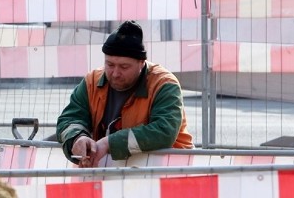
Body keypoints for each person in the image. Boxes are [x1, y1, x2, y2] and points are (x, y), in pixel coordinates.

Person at [56, 20, 193, 167]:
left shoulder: (164, 84)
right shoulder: (91, 82)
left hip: (168, 173)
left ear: (141, 63)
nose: (115, 73)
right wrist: (77, 137)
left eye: (124, 66)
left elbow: (164, 132)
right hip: (112, 173)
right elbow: (70, 119)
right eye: (110, 64)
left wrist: (110, 143)